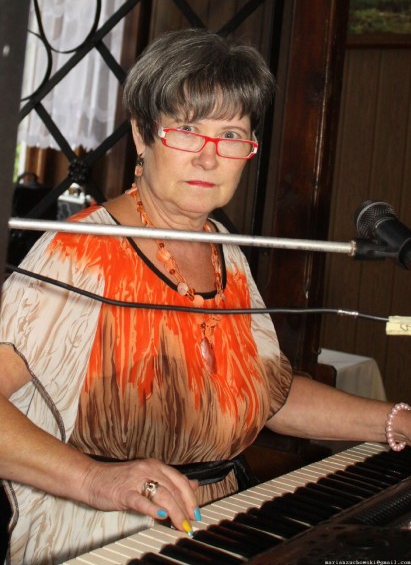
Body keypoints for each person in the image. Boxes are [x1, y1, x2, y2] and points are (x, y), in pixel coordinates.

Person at [0, 28, 410, 565]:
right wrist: (94, 479)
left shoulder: (224, 251)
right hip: (97, 537)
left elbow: (267, 394)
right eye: (187, 130)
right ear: (143, 136)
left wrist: (395, 420)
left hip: (217, 527)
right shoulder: (81, 251)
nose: (209, 158)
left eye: (231, 135)